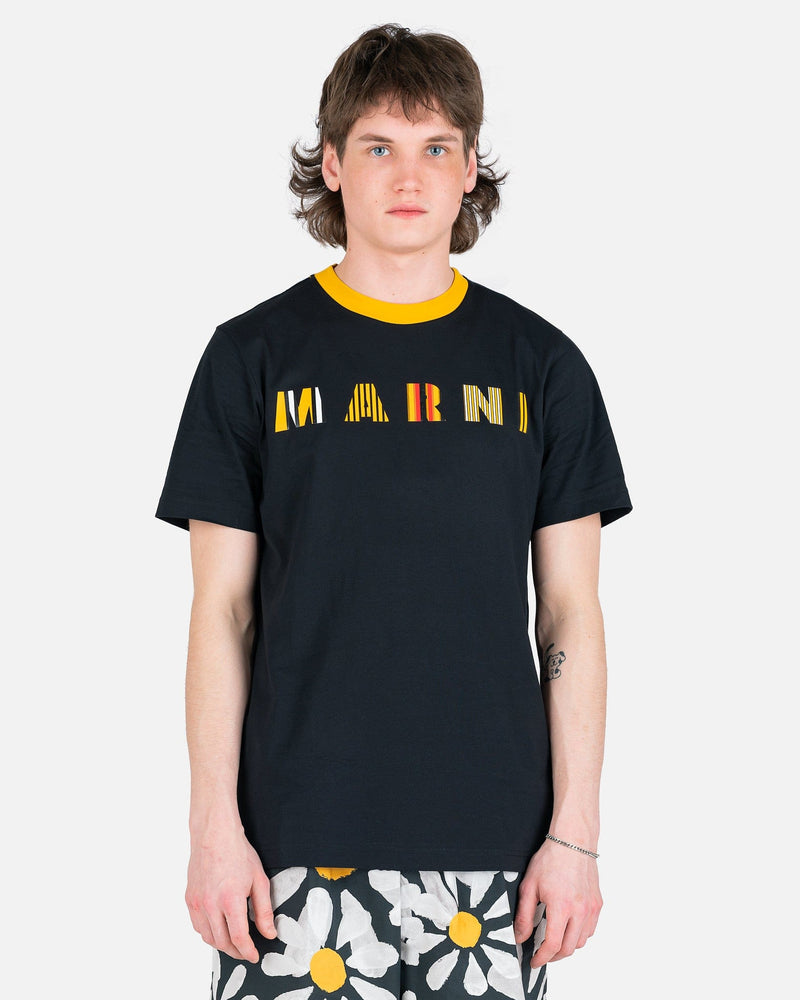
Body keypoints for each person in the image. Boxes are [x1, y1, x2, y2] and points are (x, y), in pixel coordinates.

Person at [155, 23, 632, 1000]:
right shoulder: (251, 358)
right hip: (289, 850)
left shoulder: (542, 367)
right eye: (378, 146)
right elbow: (221, 612)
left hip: (497, 859)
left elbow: (570, 615)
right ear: (332, 164)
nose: (408, 176)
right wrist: (213, 829)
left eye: (435, 147)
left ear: (469, 169)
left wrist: (575, 835)